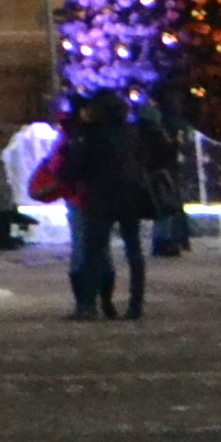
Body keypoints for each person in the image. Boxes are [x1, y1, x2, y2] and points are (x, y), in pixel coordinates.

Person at [58, 90, 156, 323]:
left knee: (94, 251)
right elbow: (144, 160)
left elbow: (72, 169)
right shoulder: (132, 133)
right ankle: (135, 304)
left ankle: (88, 305)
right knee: (134, 251)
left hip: (100, 199)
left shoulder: (91, 135)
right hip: (131, 197)